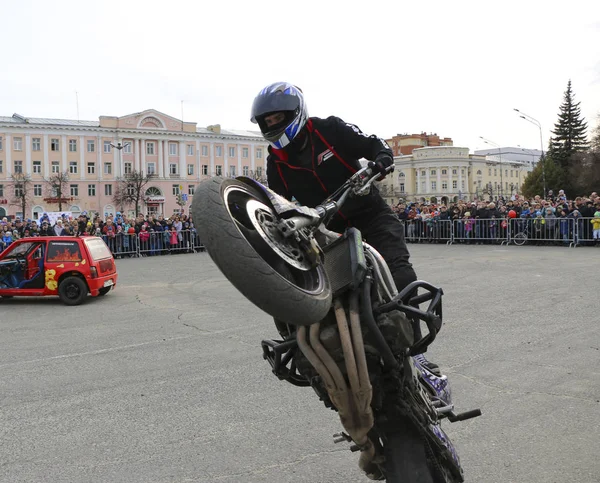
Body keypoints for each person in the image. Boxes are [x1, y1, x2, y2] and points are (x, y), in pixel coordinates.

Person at [251, 81, 438, 373]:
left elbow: (372, 143)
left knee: (399, 270)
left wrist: (382, 159)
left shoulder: (329, 129)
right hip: (328, 231)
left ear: (295, 113)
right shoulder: (277, 161)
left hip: (370, 214)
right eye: (268, 121)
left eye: (278, 118)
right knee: (315, 288)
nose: (273, 124)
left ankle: (418, 354)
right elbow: (280, 204)